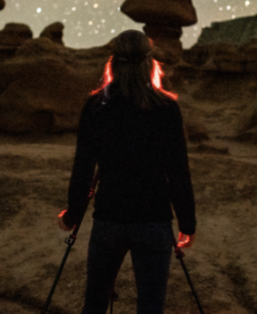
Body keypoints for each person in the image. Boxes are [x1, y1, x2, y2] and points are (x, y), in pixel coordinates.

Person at [56, 29, 196, 314]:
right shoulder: (166, 108)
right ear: (150, 63)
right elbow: (178, 171)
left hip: (109, 219)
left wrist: (72, 215)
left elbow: (83, 166)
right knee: (150, 307)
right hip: (154, 221)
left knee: (95, 305)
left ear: (113, 62)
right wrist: (187, 224)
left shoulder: (96, 106)